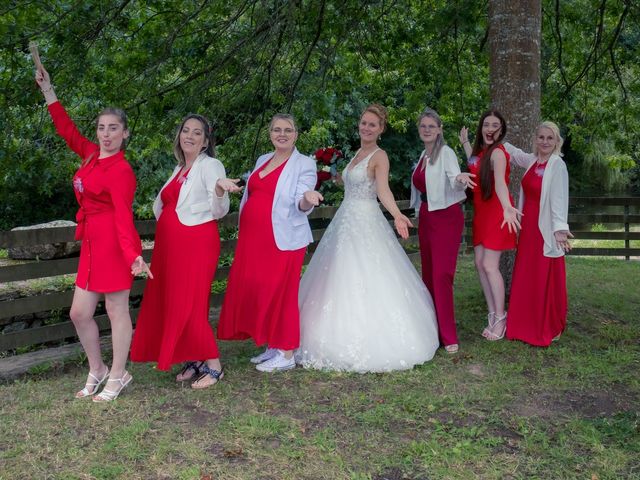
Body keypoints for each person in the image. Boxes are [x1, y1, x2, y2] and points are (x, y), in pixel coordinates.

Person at [35, 64, 150, 402]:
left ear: (125, 134)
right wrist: (48, 91)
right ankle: (97, 368)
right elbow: (67, 130)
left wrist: (133, 256)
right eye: (101, 128)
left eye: (113, 129)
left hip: (114, 246)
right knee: (79, 313)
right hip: (91, 245)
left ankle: (118, 374)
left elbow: (123, 218)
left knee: (117, 312)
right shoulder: (89, 155)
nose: (106, 134)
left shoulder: (121, 170)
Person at [296, 104, 440, 372]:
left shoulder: (379, 155)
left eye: (373, 124)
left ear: (381, 129)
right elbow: (351, 182)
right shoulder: (357, 153)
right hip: (345, 218)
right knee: (338, 272)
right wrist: (332, 175)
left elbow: (382, 190)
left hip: (366, 220)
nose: (366, 127)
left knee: (368, 273)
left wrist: (397, 214)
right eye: (364, 123)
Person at [130, 114, 242, 387]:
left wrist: (219, 189)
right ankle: (195, 357)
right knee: (179, 301)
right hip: (170, 246)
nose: (189, 136)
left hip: (195, 243)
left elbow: (219, 210)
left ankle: (214, 365)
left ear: (205, 142)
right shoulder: (180, 167)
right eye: (186, 131)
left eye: (197, 133)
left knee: (188, 301)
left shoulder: (210, 165)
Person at [217, 114, 322, 372]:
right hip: (254, 238)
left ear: (296, 134)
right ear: (270, 133)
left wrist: (308, 198)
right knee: (261, 289)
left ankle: (286, 354)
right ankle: (273, 345)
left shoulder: (304, 164)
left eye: (288, 130)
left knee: (282, 293)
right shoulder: (263, 159)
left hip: (284, 238)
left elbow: (301, 202)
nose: (282, 134)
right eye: (277, 129)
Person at [409, 108, 476, 354]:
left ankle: (449, 335)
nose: (426, 130)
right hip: (427, 216)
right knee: (428, 274)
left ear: (439, 130)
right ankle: (432, 331)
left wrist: (460, 179)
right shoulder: (422, 157)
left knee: (442, 275)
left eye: (431, 126)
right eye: (423, 126)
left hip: (446, 217)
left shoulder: (445, 152)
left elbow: (453, 176)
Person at [503, 122, 571, 346]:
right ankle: (524, 322)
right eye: (541, 137)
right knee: (528, 274)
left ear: (556, 142)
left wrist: (559, 230)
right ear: (535, 139)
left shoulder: (557, 165)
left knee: (545, 275)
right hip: (529, 228)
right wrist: (496, 138)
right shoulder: (532, 160)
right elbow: (514, 154)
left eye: (549, 138)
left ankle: (549, 323)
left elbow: (560, 199)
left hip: (546, 229)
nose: (544, 142)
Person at [459, 110, 521, 341]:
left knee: (489, 265)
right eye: (487, 124)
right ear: (481, 127)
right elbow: (474, 163)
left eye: (495, 125)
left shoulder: (499, 154)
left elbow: (501, 186)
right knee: (479, 263)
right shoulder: (480, 152)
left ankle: (501, 317)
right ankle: (492, 313)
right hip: (481, 213)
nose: (490, 128)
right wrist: (465, 143)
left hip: (497, 212)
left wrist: (507, 207)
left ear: (501, 130)